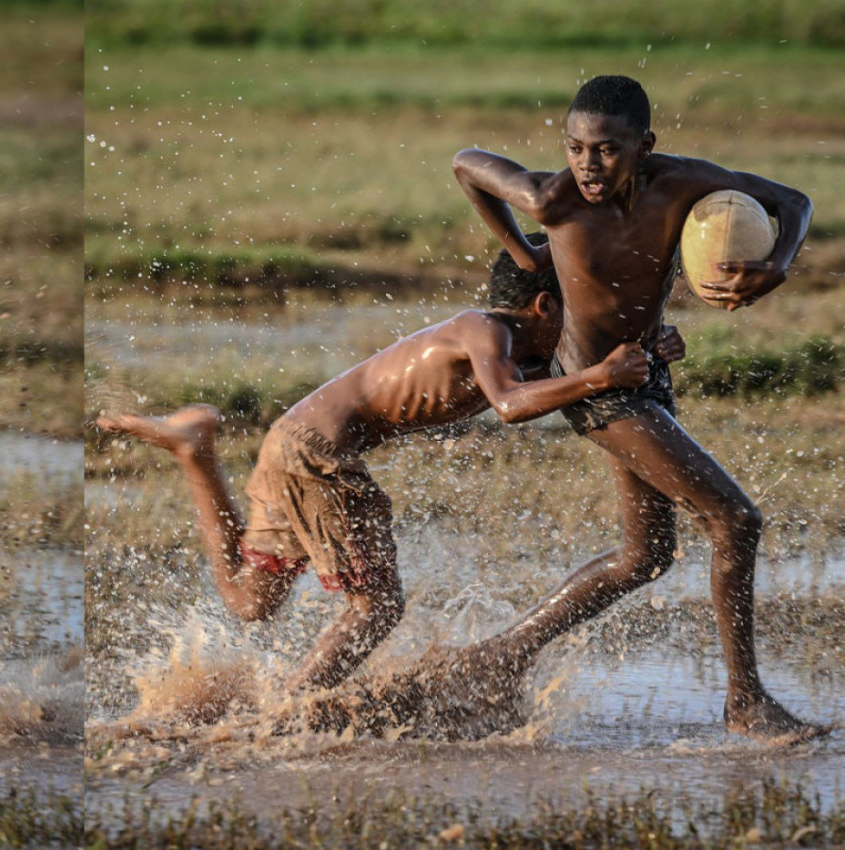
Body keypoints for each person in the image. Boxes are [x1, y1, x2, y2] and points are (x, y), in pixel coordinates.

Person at [99, 238, 683, 693]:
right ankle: (288, 714)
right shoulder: (482, 330)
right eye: (582, 310)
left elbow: (552, 384)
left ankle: (194, 451)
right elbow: (510, 405)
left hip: (294, 444)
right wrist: (601, 375)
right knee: (376, 608)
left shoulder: (517, 349)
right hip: (317, 456)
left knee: (250, 603)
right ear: (545, 304)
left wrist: (642, 353)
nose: (585, 326)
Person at [452, 74, 829, 744]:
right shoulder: (550, 198)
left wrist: (777, 261)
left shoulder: (679, 183)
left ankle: (496, 658)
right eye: (574, 148)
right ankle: (744, 702)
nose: (587, 165)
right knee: (734, 519)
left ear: (642, 146)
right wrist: (521, 251)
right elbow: (466, 165)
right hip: (596, 385)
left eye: (604, 150)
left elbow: (792, 200)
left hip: (643, 374)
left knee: (644, 556)